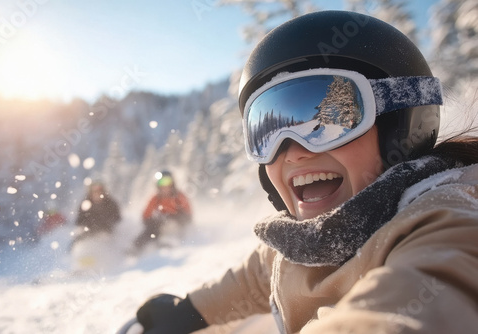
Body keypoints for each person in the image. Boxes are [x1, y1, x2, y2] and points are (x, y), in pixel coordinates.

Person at [132, 11, 478, 334]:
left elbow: (440, 281)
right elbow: (257, 274)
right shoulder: (305, 241)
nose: (293, 151)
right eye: (266, 133)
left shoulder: (445, 219)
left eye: (328, 123)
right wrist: (191, 309)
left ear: (400, 124)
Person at [132, 170, 192, 251]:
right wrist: (150, 222)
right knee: (151, 229)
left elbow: (188, 214)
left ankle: (176, 243)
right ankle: (136, 248)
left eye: (167, 182)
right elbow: (146, 215)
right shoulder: (156, 198)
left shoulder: (179, 197)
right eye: (161, 182)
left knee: (170, 222)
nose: (165, 186)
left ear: (172, 183)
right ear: (158, 185)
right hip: (160, 224)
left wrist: (177, 219)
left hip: (178, 224)